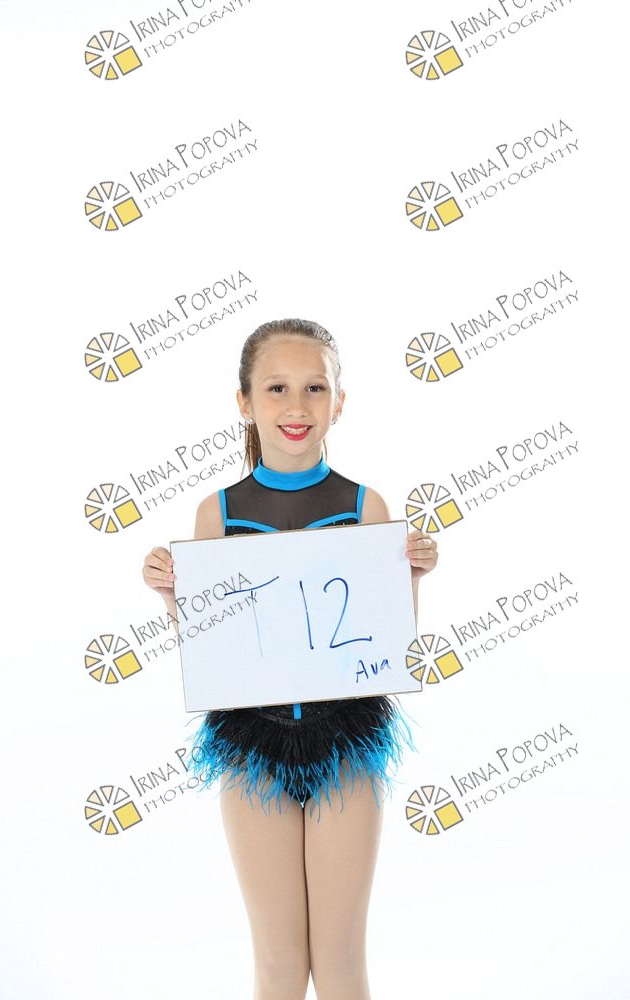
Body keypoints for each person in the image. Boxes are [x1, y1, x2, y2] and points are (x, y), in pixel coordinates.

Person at [142, 317, 439, 1000]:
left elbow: (384, 648)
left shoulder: (364, 505)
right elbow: (214, 650)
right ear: (244, 402)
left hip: (347, 741)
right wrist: (172, 594)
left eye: (315, 387)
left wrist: (412, 578)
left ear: (340, 401)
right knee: (278, 963)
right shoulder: (218, 512)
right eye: (276, 388)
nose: (297, 405)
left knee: (338, 962)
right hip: (251, 745)